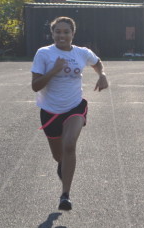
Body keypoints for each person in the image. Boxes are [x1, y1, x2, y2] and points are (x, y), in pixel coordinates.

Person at [31, 16, 108, 211]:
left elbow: (97, 62)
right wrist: (54, 70)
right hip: (50, 111)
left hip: (75, 107)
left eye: (66, 32)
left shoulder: (82, 53)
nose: (62, 35)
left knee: (70, 144)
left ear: (73, 34)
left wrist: (102, 75)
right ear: (52, 33)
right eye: (58, 32)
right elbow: (35, 86)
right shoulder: (44, 53)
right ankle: (62, 165)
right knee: (59, 156)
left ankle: (65, 195)